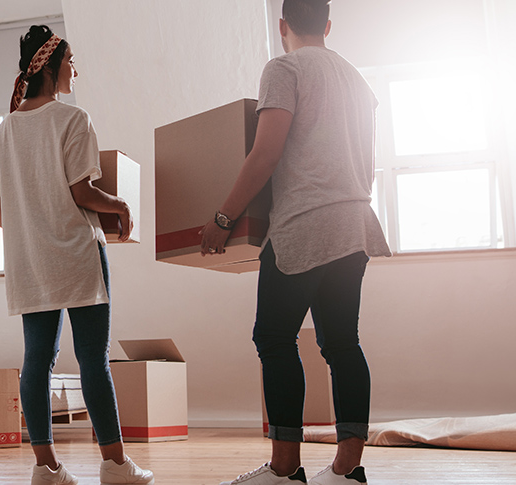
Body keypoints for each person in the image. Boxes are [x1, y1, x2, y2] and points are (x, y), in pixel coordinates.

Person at [203, 1, 390, 484]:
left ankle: (285, 470)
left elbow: (265, 153)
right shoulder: (358, 80)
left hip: (304, 227)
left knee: (273, 338)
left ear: (282, 26)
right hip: (354, 224)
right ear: (327, 25)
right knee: (343, 344)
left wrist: (224, 217)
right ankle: (346, 469)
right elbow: (367, 166)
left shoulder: (283, 68)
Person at [0, 25, 155, 485]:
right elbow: (82, 191)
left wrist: (32, 231)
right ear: (53, 64)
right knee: (92, 360)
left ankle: (46, 468)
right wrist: (119, 205)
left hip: (30, 264)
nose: (75, 68)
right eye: (72, 59)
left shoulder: (3, 131)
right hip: (78, 255)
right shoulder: (71, 119)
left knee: (36, 360)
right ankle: (116, 466)